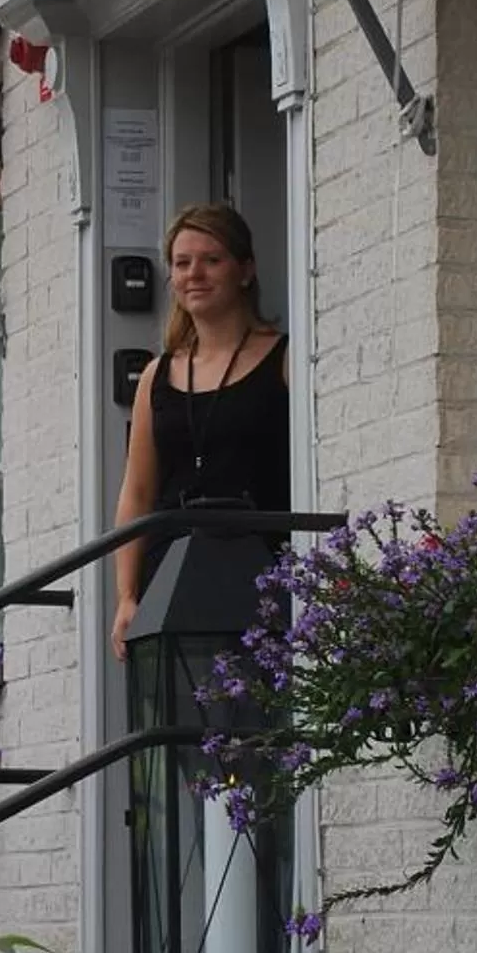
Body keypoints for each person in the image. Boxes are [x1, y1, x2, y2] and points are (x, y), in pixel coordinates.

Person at [110, 202, 289, 661]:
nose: (195, 274)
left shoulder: (287, 359)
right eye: (182, 263)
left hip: (261, 573)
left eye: (212, 260)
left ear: (244, 271)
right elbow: (138, 490)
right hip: (169, 578)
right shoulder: (157, 373)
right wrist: (127, 597)